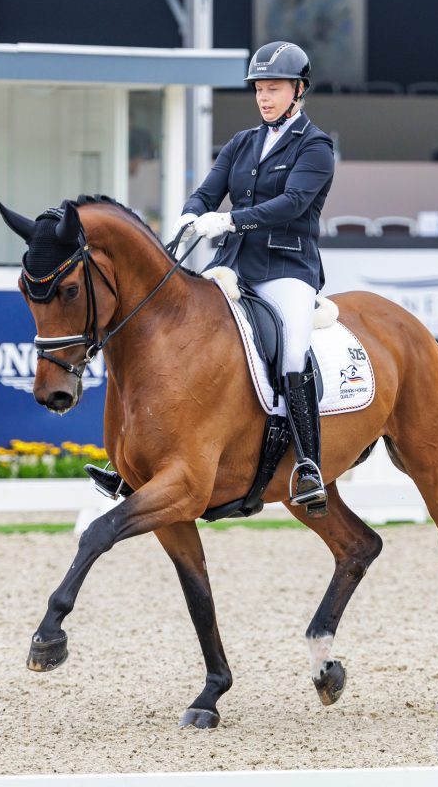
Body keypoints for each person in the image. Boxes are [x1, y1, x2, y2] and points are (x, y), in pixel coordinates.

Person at [169, 40, 336, 517]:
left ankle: (308, 465)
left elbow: (293, 204)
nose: (264, 97)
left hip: (286, 268)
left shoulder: (316, 146)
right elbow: (207, 192)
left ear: (298, 90)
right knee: (182, 331)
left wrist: (230, 220)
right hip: (234, 267)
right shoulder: (241, 142)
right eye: (260, 89)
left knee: (293, 352)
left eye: (274, 88)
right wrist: (190, 215)